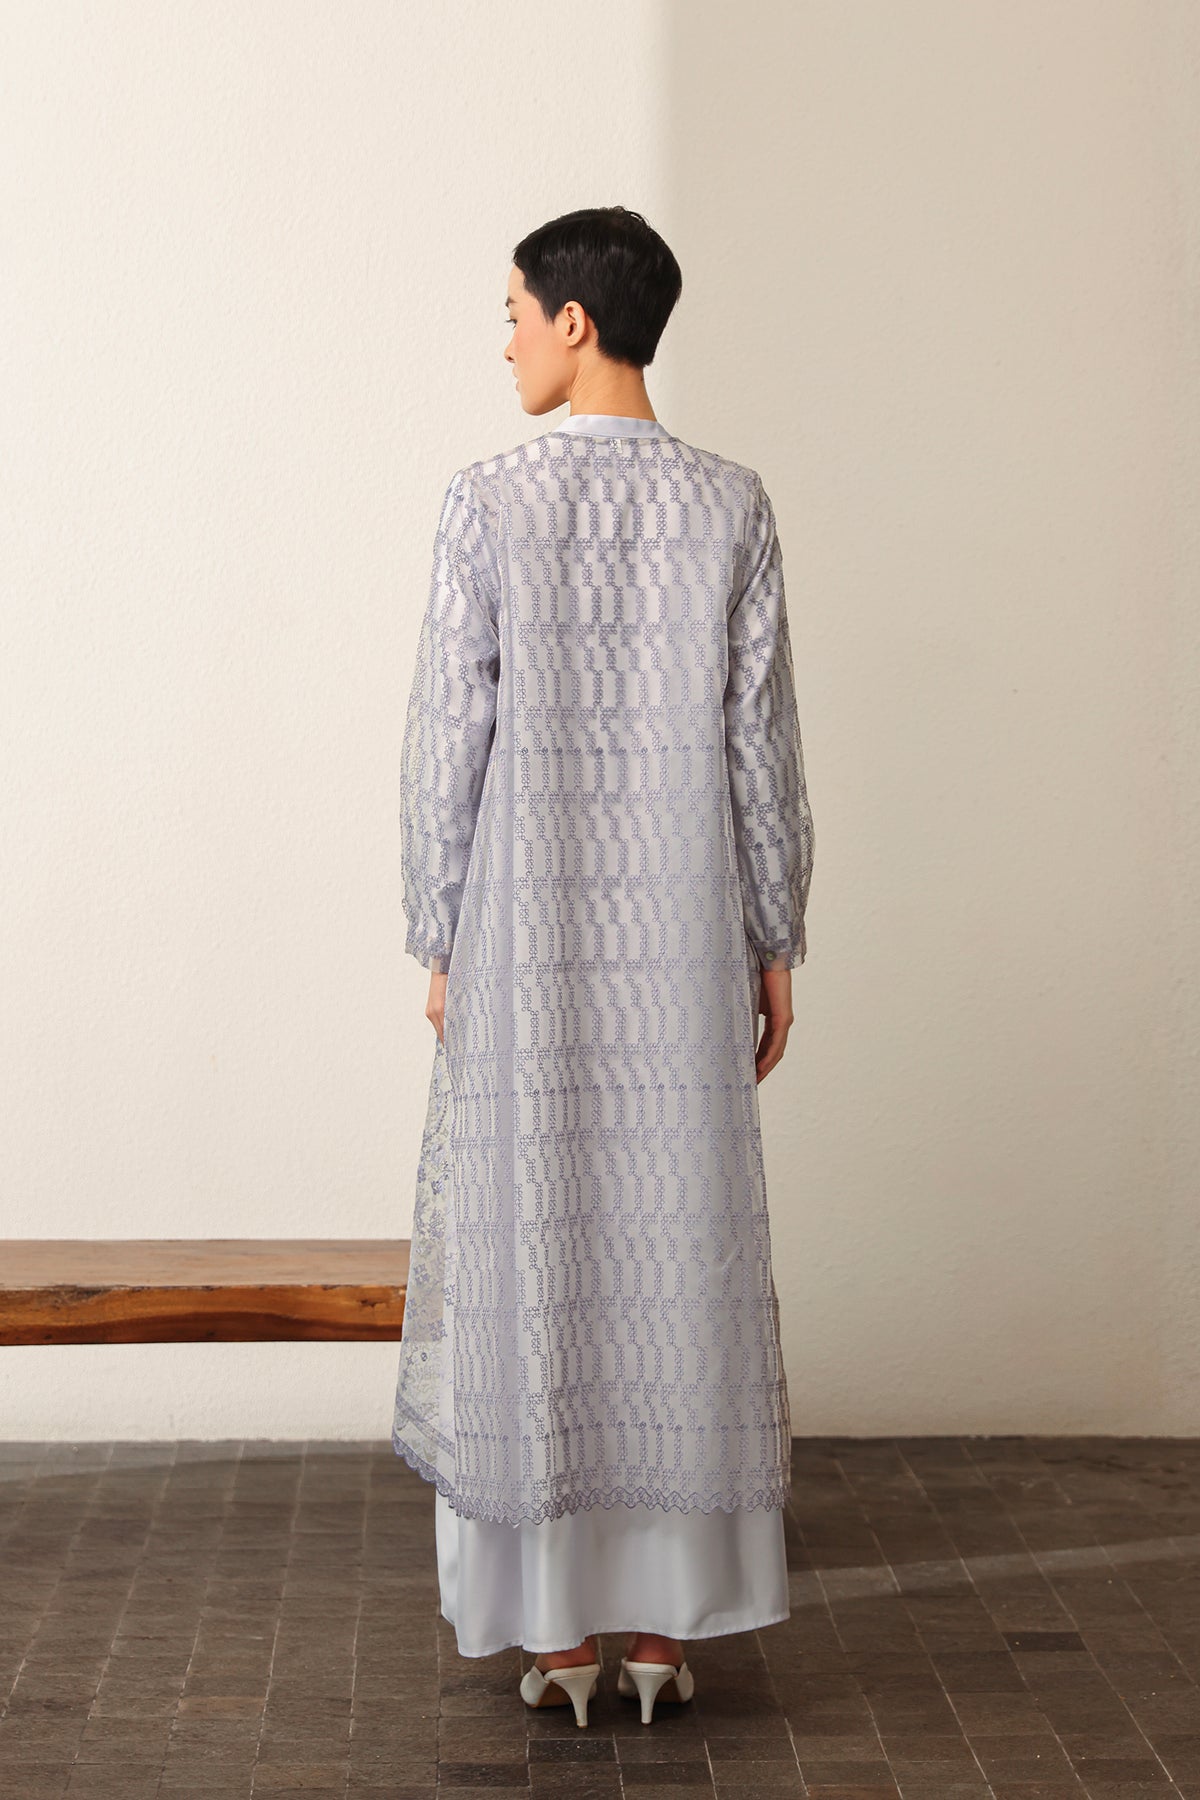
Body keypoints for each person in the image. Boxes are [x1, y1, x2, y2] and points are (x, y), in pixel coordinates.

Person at [392, 205, 815, 1728]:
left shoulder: (490, 502)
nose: (504, 340)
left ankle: (554, 1635)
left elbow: (451, 732)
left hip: (527, 932)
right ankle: (656, 1632)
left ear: (576, 321)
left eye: (514, 313)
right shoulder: (731, 505)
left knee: (537, 1244)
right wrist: (774, 931)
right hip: (684, 933)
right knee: (670, 1246)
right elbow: (758, 741)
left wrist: (439, 926)